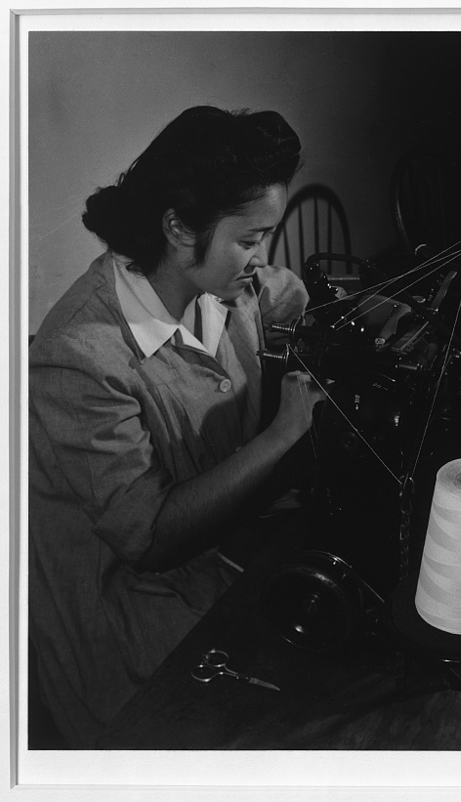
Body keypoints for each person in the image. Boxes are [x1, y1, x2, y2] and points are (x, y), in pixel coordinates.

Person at [28, 105, 327, 748]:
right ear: (177, 226)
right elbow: (151, 537)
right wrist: (281, 435)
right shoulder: (77, 357)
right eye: (248, 239)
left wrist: (360, 310)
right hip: (129, 622)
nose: (259, 256)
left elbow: (283, 293)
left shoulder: (215, 282)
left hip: (217, 557)